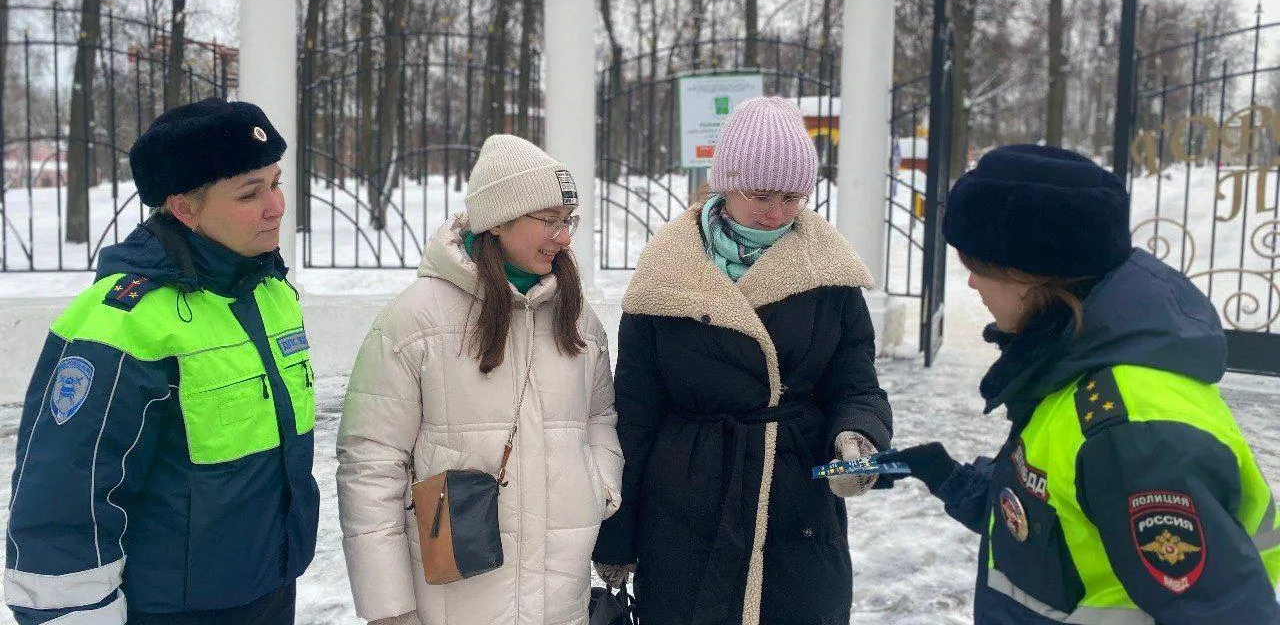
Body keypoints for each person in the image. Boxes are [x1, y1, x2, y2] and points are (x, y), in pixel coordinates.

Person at [885, 144, 1280, 624]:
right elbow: (1059, 519)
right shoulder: (1076, 361)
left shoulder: (1132, 433)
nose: (972, 285)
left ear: (1029, 276)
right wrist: (950, 478)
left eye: (978, 268)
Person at [4, 98, 319, 625]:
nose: (277, 206)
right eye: (250, 193)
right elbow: (66, 496)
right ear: (184, 209)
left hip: (269, 588)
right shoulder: (121, 321)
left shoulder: (270, 292)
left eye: (276, 182)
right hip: (170, 610)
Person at [591, 97, 893, 625]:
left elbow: (856, 384)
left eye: (792, 196)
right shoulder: (666, 275)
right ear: (724, 183)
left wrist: (856, 435)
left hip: (795, 505)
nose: (776, 212)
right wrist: (618, 536)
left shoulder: (831, 275)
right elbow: (634, 417)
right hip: (686, 505)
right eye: (761, 194)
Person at [337, 134, 623, 625]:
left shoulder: (576, 318)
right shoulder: (415, 321)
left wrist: (597, 485)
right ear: (499, 221)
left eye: (568, 221)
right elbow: (370, 463)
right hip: (453, 603)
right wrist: (389, 608)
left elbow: (599, 416)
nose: (564, 236)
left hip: (559, 597)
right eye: (549, 221)